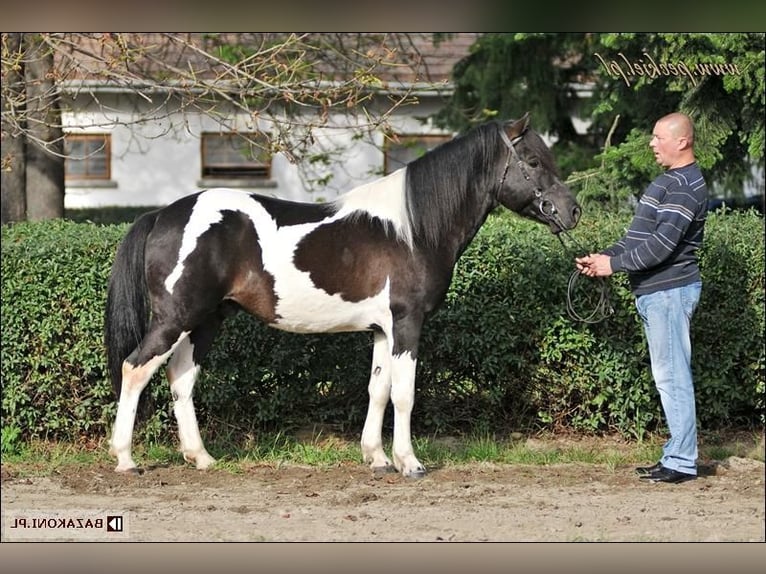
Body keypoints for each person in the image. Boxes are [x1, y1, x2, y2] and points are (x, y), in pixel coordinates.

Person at [575, 112, 708, 484]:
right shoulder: (668, 181)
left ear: (682, 141)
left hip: (669, 291)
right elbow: (638, 239)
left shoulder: (685, 185)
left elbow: (662, 246)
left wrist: (613, 266)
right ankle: (677, 455)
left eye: (657, 137)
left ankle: (681, 461)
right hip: (658, 292)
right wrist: (604, 258)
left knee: (672, 377)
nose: (651, 143)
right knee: (668, 375)